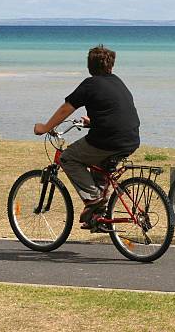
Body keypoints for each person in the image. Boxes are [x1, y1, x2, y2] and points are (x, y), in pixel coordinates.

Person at [34, 45, 140, 227]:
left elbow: (66, 108)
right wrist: (93, 122)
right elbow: (114, 111)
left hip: (107, 139)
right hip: (130, 138)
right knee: (100, 170)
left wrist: (45, 127)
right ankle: (100, 219)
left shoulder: (90, 84)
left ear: (89, 66)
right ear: (111, 66)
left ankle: (93, 199)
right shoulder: (118, 81)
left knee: (68, 158)